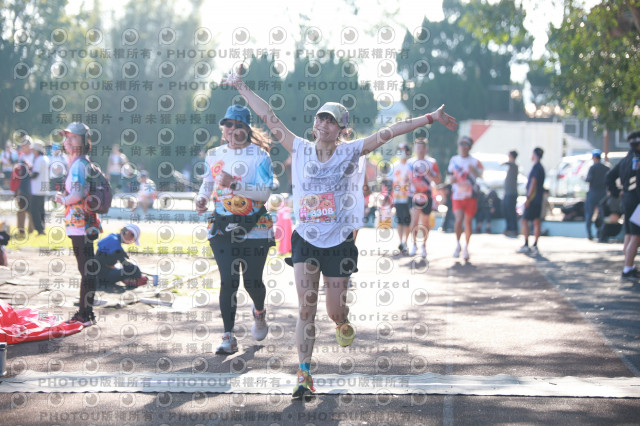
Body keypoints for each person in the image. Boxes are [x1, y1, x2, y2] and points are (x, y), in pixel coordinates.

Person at [221, 69, 458, 398]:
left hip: (339, 243)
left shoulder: (351, 151)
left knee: (335, 310)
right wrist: (240, 85)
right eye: (321, 118)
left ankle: (342, 321)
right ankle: (304, 374)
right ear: (315, 123)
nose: (324, 124)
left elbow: (391, 131)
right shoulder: (299, 148)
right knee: (306, 309)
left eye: (331, 121)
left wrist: (430, 117)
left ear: (341, 130)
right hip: (306, 239)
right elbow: (268, 115)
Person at [196, 104, 275, 355]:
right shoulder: (214, 154)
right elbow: (207, 183)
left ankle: (259, 312)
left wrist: (234, 184)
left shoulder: (260, 156)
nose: (232, 129)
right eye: (228, 124)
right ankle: (228, 336)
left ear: (247, 129)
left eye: (238, 125)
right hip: (222, 225)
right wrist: (201, 199)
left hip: (255, 228)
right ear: (223, 128)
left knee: (252, 282)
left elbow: (264, 193)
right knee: (228, 281)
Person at [55, 122, 103, 326]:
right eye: (66, 137)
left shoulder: (78, 165)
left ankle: (85, 314)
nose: (67, 141)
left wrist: (63, 199)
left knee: (86, 270)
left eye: (73, 137)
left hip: (80, 222)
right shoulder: (81, 163)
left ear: (83, 141)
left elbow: (78, 193)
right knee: (87, 268)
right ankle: (87, 313)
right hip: (84, 221)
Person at [606, 131, 640, 280]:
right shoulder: (636, 159)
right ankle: (627, 268)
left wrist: (618, 192)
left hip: (627, 200)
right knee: (636, 236)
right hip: (636, 202)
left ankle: (629, 266)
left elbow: (609, 177)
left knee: (629, 234)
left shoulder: (626, 159)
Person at [448, 136, 484, 261]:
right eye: (461, 144)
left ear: (469, 147)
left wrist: (475, 171)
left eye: (465, 145)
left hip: (471, 195)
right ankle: (458, 244)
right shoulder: (454, 160)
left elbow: (481, 175)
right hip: (457, 195)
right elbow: (450, 175)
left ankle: (466, 247)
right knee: (458, 220)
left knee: (468, 222)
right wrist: (452, 180)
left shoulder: (475, 161)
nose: (463, 147)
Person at [408, 138, 441, 258]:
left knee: (425, 222)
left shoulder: (432, 162)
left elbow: (438, 179)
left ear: (426, 149)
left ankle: (424, 246)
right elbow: (406, 179)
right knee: (414, 220)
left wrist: (429, 174)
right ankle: (414, 244)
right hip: (414, 195)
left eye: (422, 148)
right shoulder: (410, 163)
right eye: (418, 147)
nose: (420, 150)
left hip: (427, 195)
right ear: (415, 149)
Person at [96, 224, 147, 289]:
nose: (131, 241)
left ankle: (127, 279)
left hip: (100, 273)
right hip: (103, 277)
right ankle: (134, 280)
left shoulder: (112, 237)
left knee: (122, 269)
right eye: (132, 238)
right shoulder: (115, 242)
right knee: (135, 269)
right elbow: (125, 265)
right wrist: (138, 274)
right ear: (128, 232)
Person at [517, 147, 546, 255]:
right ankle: (535, 245)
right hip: (538, 199)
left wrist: (528, 198)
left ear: (535, 155)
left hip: (533, 199)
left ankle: (526, 244)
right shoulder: (541, 168)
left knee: (525, 220)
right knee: (536, 221)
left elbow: (533, 182)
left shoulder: (536, 167)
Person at [390, 143, 412, 254]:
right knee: (399, 220)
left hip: (409, 197)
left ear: (408, 152)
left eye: (403, 150)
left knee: (407, 221)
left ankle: (405, 242)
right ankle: (400, 242)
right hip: (398, 198)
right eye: (400, 150)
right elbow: (389, 182)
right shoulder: (394, 166)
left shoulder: (411, 165)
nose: (401, 152)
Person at [585, 149, 610, 240]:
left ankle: (589, 234)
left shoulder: (592, 168)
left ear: (594, 157)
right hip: (603, 194)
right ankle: (602, 235)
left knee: (589, 214)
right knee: (603, 215)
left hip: (593, 193)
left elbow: (588, 179)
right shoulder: (606, 168)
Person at [14, 137, 34, 237]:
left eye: (25, 146)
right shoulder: (21, 157)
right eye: (22, 146)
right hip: (21, 187)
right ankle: (20, 230)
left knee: (31, 210)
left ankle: (31, 230)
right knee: (21, 209)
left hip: (32, 187)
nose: (23, 148)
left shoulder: (34, 156)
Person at [29, 140, 49, 236]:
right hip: (44, 187)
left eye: (33, 149)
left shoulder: (38, 159)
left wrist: (28, 173)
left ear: (37, 150)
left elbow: (35, 174)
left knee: (34, 209)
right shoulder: (45, 158)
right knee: (41, 209)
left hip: (37, 188)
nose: (32, 151)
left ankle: (39, 229)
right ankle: (42, 227)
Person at [503, 150, 519, 236]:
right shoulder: (510, 167)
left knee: (511, 211)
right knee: (506, 211)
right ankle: (508, 228)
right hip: (507, 192)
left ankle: (514, 229)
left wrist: (503, 162)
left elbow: (510, 163)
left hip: (512, 193)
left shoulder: (514, 166)